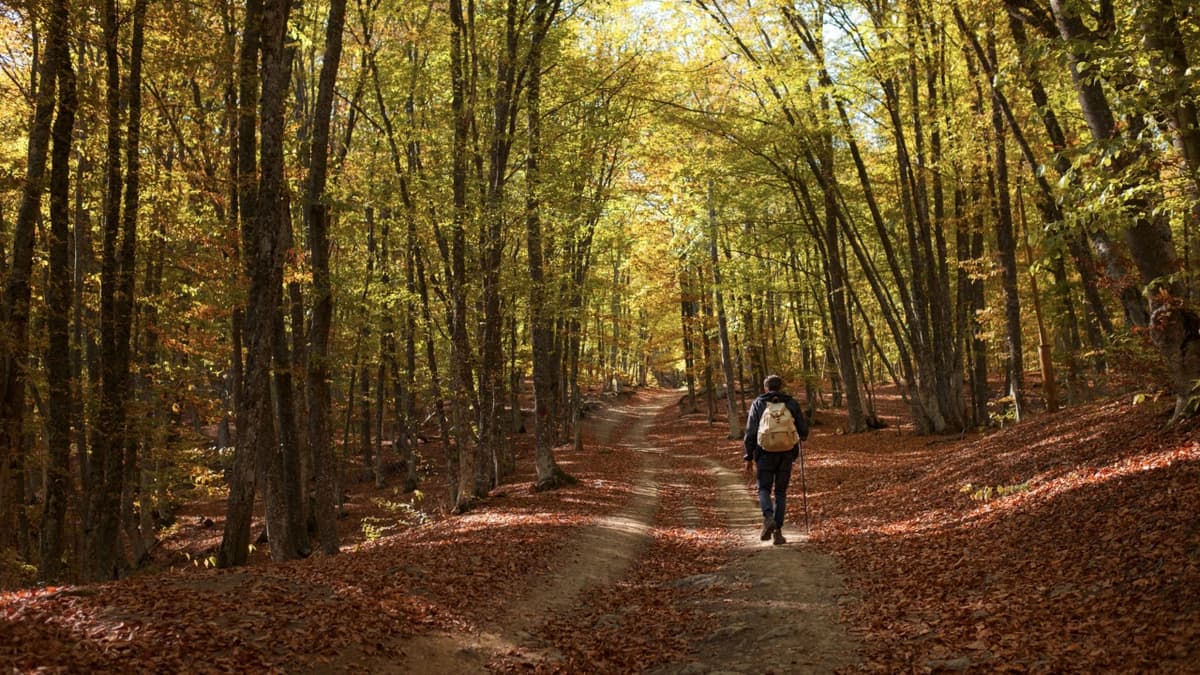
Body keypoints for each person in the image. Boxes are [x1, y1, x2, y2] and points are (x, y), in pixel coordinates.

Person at [743, 374, 808, 545]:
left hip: (764, 453)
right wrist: (801, 436)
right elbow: (803, 430)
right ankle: (778, 532)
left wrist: (748, 456)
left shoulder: (758, 403)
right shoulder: (791, 403)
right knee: (780, 492)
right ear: (781, 387)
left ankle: (768, 518)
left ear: (766, 388)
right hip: (787, 452)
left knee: (763, 488)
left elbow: (751, 431)